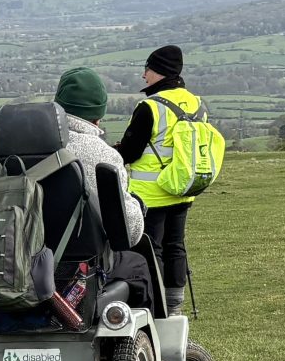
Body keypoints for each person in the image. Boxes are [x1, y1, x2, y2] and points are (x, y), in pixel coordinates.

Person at [52, 64, 159, 307]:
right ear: (97, 116)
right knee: (137, 265)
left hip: (16, 267)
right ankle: (141, 342)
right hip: (78, 272)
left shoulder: (10, 152)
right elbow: (130, 233)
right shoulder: (102, 154)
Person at [114, 43, 202, 313]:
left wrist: (109, 152)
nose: (144, 76)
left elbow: (129, 151)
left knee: (151, 250)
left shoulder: (149, 107)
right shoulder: (195, 102)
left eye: (148, 69)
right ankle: (175, 302)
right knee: (176, 244)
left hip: (151, 192)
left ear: (160, 72)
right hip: (182, 186)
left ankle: (154, 303)